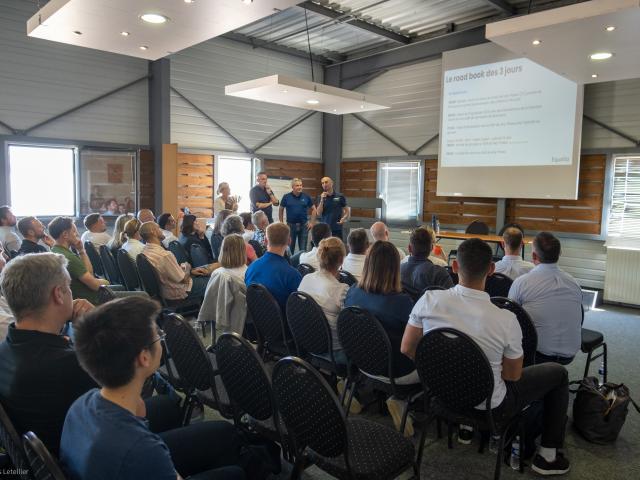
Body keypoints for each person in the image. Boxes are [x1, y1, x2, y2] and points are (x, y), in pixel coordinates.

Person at [402, 238, 571, 475]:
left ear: (454, 267)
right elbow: (512, 376)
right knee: (558, 373)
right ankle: (548, 456)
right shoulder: (506, 319)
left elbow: (408, 348)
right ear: (491, 270)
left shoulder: (429, 300)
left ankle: (464, 426)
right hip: (490, 407)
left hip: (439, 393)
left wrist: (439, 370)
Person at [60, 297, 246, 480]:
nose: (161, 338)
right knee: (235, 473)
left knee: (222, 432)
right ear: (144, 358)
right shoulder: (141, 449)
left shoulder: (82, 404)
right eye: (157, 334)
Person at [344, 241, 418, 435]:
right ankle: (400, 401)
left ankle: (357, 390)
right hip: (398, 372)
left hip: (364, 364)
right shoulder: (402, 302)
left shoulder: (352, 292)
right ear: (396, 268)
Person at [508, 232, 582, 365]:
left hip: (537, 354)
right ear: (560, 254)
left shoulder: (522, 282)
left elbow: (509, 318)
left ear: (534, 256)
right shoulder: (574, 283)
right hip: (570, 353)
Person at [298, 237, 349, 357]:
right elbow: (350, 326)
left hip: (307, 342)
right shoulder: (341, 290)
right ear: (341, 260)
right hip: (334, 350)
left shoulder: (306, 279)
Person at [140, 222, 212, 301]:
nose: (161, 231)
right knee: (215, 281)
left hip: (165, 291)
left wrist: (189, 271)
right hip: (178, 291)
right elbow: (184, 280)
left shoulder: (145, 250)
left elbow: (167, 272)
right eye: (159, 229)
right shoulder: (164, 255)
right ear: (153, 231)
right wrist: (188, 268)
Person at [197, 235, 248, 339]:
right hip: (243, 319)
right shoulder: (247, 273)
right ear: (243, 251)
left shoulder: (217, 272)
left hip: (219, 313)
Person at [49, 217, 108, 304]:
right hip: (92, 303)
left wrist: (81, 251)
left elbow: (89, 273)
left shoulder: (55, 250)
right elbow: (95, 286)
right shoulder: (69, 258)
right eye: (74, 231)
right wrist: (106, 281)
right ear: (65, 234)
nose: (77, 234)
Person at [245, 223, 301, 313]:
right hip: (285, 323)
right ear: (289, 241)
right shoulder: (292, 275)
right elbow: (299, 307)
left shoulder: (250, 268)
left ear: (265, 241)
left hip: (258, 320)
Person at [401, 226, 453, 293]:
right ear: (431, 247)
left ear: (409, 248)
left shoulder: (398, 270)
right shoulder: (439, 273)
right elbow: (450, 296)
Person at [279, 178, 315, 253]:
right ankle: (290, 264)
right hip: (290, 226)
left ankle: (302, 264)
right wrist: (281, 223)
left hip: (304, 226)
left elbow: (314, 209)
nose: (300, 187)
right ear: (292, 187)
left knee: (303, 249)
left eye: (301, 185)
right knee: (289, 249)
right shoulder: (286, 197)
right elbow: (281, 209)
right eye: (297, 185)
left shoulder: (306, 196)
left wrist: (312, 222)